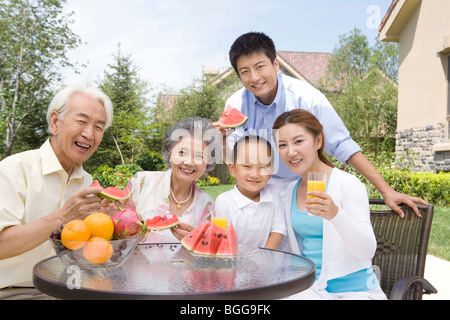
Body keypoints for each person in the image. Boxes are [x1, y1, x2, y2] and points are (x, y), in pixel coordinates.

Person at [214, 31, 427, 218]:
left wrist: (385, 190)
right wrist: (222, 141)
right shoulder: (235, 104)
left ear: (275, 65)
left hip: (302, 188)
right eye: (245, 71)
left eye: (260, 67)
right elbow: (235, 158)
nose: (254, 77)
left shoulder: (307, 97)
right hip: (260, 192)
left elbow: (342, 143)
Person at [0, 85, 113, 299]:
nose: (89, 134)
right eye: (81, 121)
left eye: (99, 127)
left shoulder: (88, 184)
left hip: (72, 291)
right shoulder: (12, 170)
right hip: (16, 292)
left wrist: (115, 229)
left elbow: (87, 253)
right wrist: (62, 217)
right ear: (55, 122)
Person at [273, 109, 386, 299]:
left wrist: (335, 215)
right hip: (311, 290)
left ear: (318, 141)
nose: (291, 152)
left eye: (299, 141)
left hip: (356, 292)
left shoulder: (348, 184)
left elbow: (367, 251)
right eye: (282, 145)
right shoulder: (289, 191)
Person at [123, 117, 222, 243]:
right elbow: (116, 227)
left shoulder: (207, 206)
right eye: (182, 152)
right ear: (170, 153)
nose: (188, 162)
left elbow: (207, 251)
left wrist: (197, 242)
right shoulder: (141, 182)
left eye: (199, 156)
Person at [214, 135, 286, 249]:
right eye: (247, 166)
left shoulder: (273, 193)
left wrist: (264, 258)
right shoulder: (224, 202)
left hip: (266, 261)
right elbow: (221, 240)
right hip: (234, 262)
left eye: (263, 167)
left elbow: (278, 229)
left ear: (271, 171)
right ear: (232, 169)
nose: (255, 174)